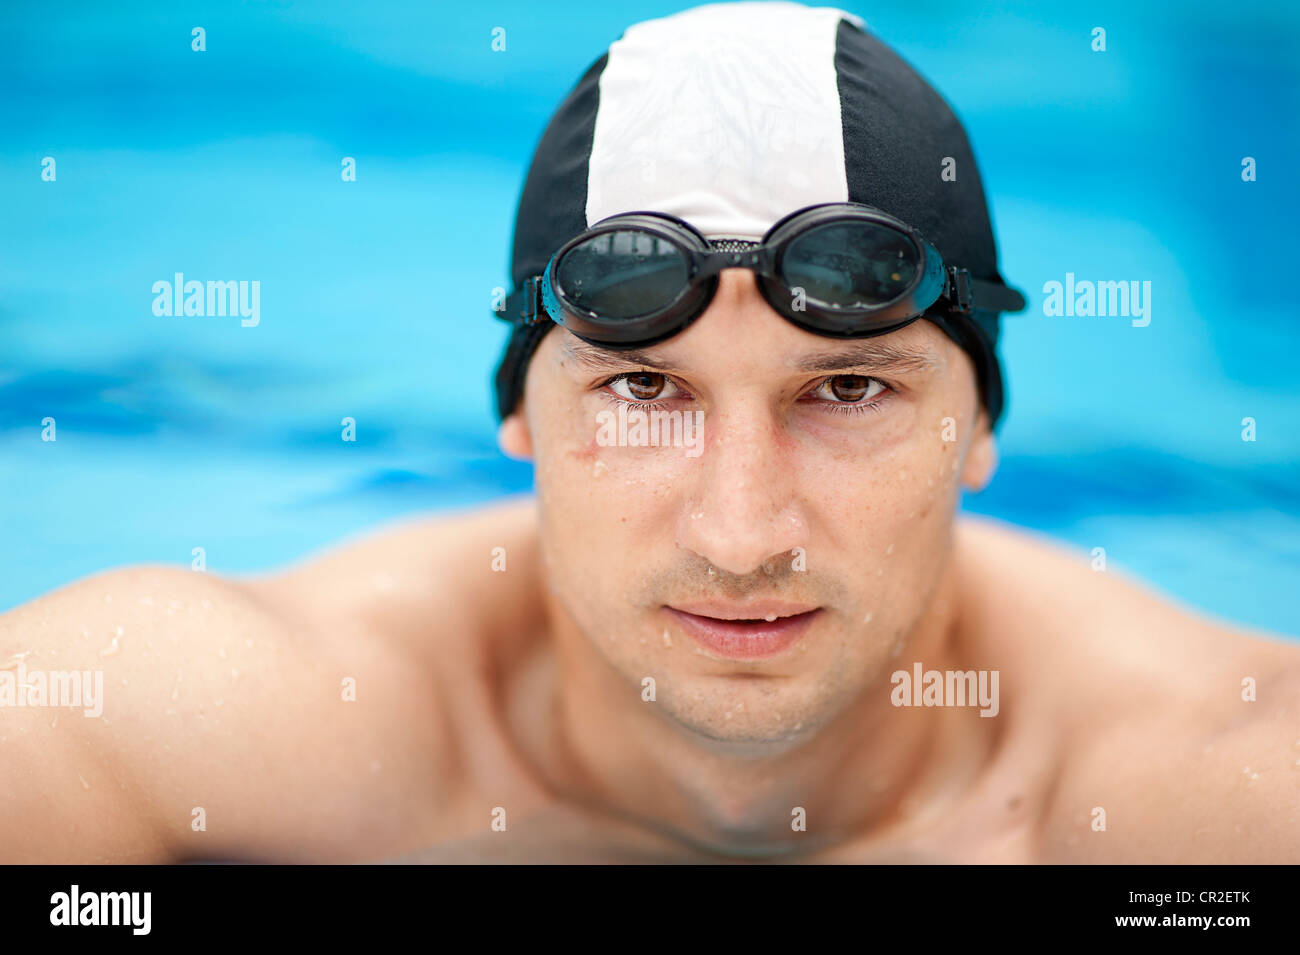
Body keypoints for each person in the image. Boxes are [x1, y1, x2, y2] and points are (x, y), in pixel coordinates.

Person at [2, 2, 1296, 864]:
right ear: (517, 412)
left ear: (977, 428)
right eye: (642, 390)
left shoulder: (1205, 798)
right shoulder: (185, 726)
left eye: (847, 392)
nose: (742, 535)